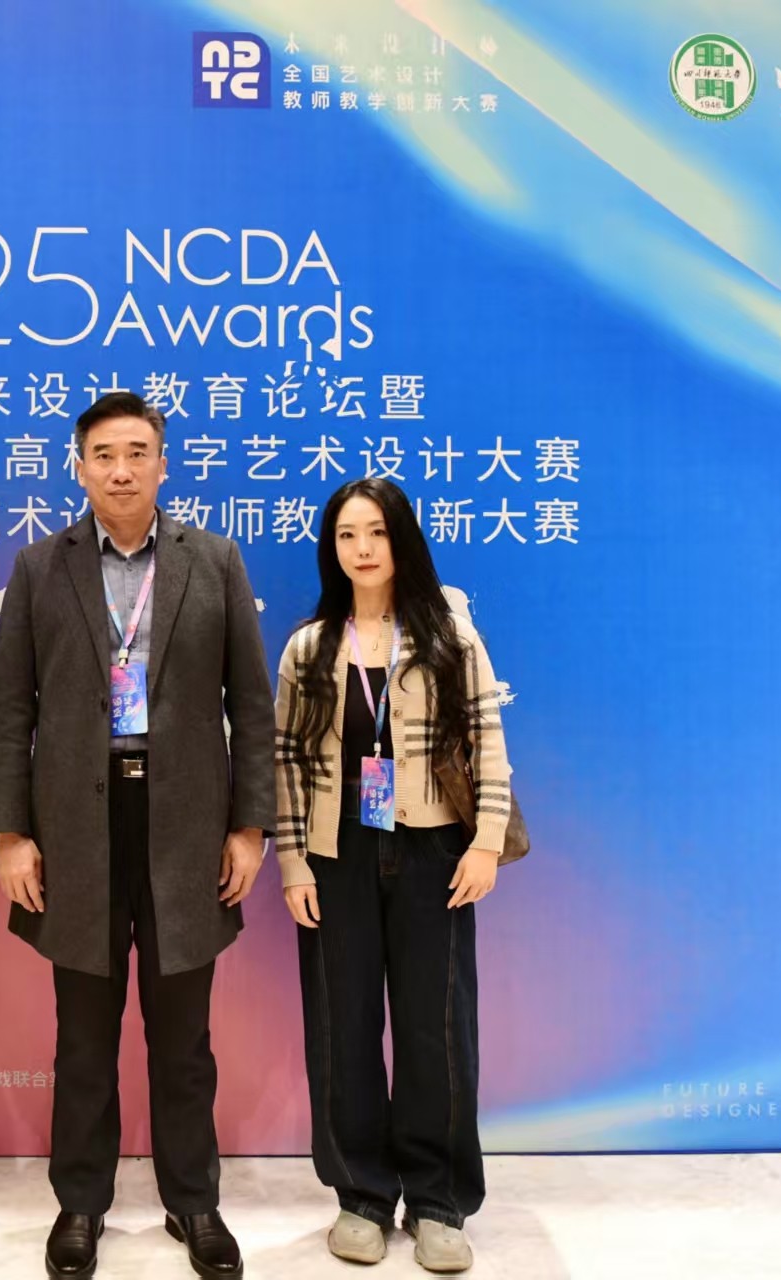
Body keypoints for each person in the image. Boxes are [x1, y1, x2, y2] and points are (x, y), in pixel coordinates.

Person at [0, 391, 275, 1280]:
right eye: (103, 455)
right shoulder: (42, 565)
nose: (120, 470)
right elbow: (11, 710)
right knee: (84, 1038)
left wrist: (250, 826)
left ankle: (194, 1203)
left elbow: (250, 704)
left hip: (186, 826)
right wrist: (11, 833)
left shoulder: (212, 560)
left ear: (162, 463)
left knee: (184, 1040)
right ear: (78, 467)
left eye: (137, 453)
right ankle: (81, 1204)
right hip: (76, 828)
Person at [272, 478, 516, 1275]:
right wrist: (292, 861)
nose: (363, 548)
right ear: (331, 550)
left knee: (435, 1029)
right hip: (336, 852)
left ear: (402, 539)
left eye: (376, 532)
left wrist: (484, 844)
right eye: (347, 535)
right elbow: (285, 763)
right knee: (341, 1029)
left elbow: (487, 739)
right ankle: (361, 1196)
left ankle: (439, 1201)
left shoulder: (448, 636)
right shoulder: (310, 648)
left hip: (432, 850)